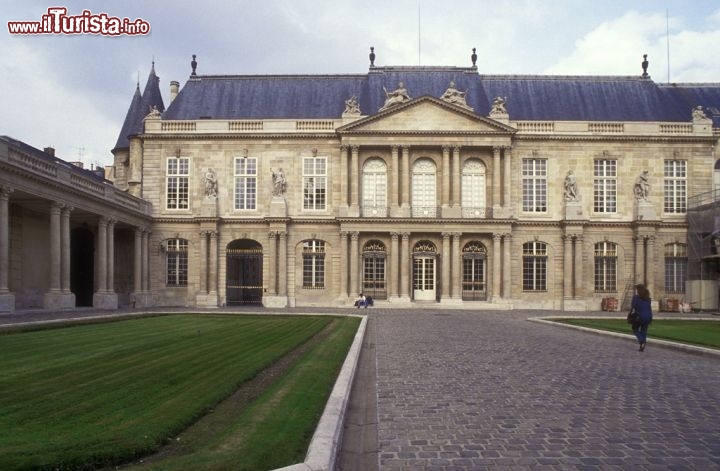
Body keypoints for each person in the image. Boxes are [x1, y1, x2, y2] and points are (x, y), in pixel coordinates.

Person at [630, 284, 653, 351]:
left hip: (639, 316)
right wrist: (651, 318)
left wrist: (631, 315)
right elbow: (649, 308)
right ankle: (642, 345)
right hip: (648, 316)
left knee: (634, 329)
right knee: (644, 331)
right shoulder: (648, 299)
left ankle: (641, 341)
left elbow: (633, 306)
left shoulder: (636, 297)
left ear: (638, 290)